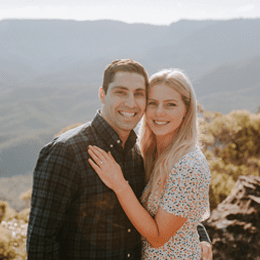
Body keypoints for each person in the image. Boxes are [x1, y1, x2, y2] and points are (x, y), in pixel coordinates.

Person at [27, 59, 212, 260]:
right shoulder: (66, 152)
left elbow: (166, 209)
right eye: (120, 92)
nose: (131, 103)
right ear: (102, 95)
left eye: (139, 94)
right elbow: (40, 241)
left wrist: (198, 234)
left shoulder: (136, 154)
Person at [88, 68, 211, 259]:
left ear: (186, 110)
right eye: (153, 103)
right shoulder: (149, 152)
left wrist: (119, 184)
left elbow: (158, 237)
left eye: (170, 105)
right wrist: (201, 234)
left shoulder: (188, 166)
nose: (159, 112)